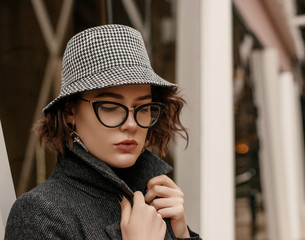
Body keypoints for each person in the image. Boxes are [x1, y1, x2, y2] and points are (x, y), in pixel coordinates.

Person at [5, 24, 201, 240]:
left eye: (143, 108)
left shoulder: (156, 197)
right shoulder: (39, 214)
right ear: (70, 111)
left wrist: (183, 234)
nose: (131, 124)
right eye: (110, 107)